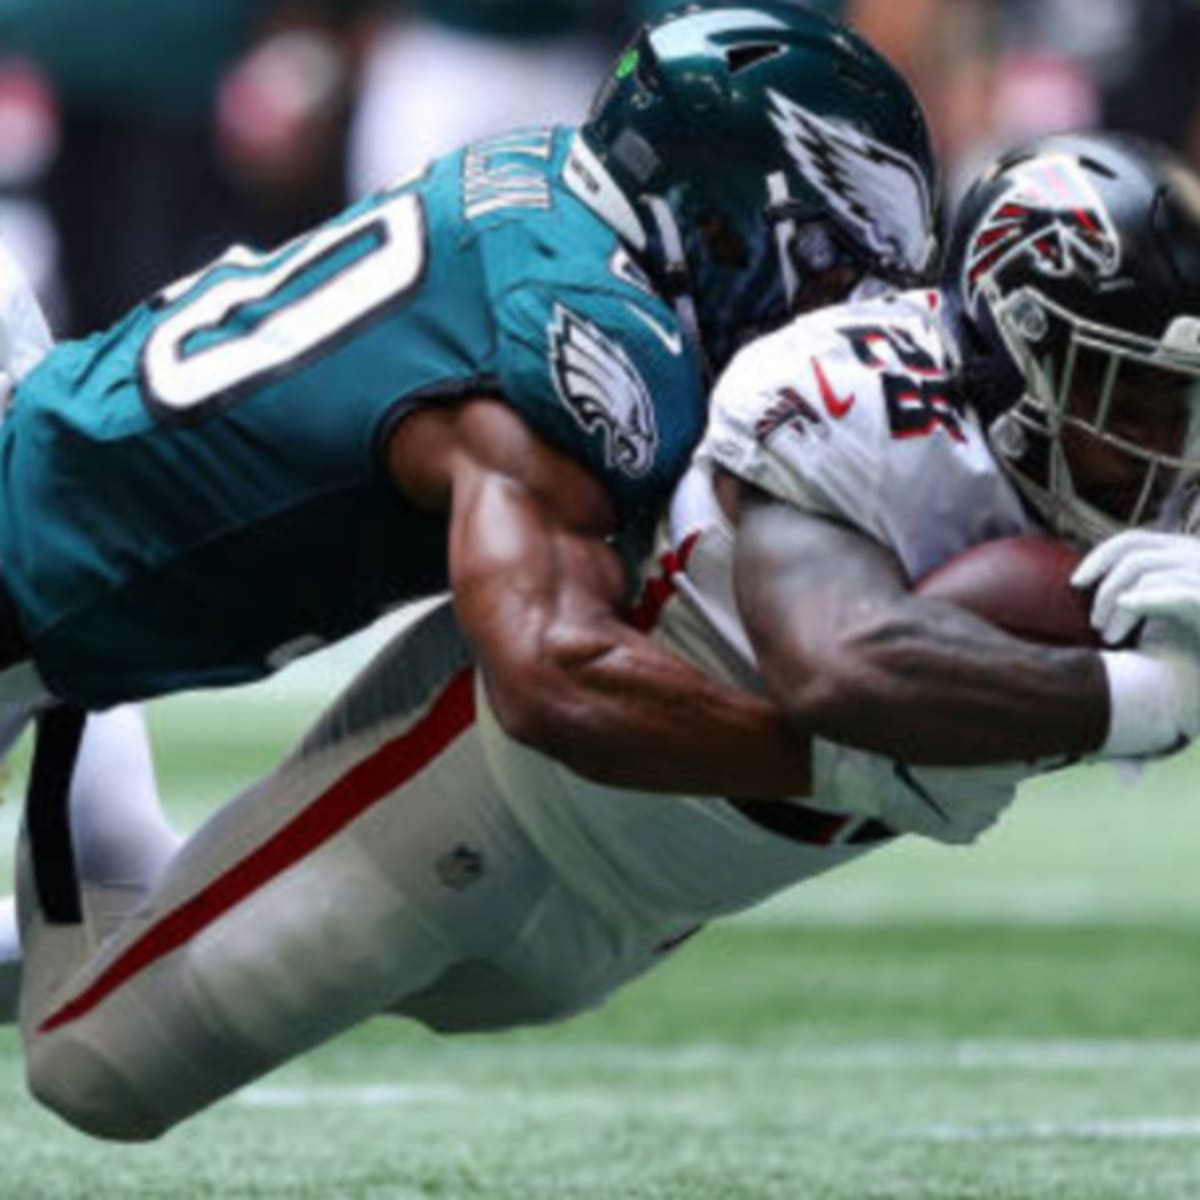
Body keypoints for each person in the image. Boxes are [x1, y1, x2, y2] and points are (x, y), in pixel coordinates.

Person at [12, 130, 1200, 1142]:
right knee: (98, 1068)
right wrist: (1139, 700)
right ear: (1016, 342)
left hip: (640, 911)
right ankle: (87, 687)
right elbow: (839, 668)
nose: (1167, 452)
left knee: (418, 990)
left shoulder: (1152, 500)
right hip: (497, 788)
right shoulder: (861, 399)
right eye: (1133, 399)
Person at [0, 2, 938, 807]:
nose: (841, 309)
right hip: (32, 579)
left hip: (51, 516)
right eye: (830, 261)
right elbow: (553, 678)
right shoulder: (583, 347)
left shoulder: (546, 179)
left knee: (107, 959)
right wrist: (847, 768)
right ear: (720, 219)